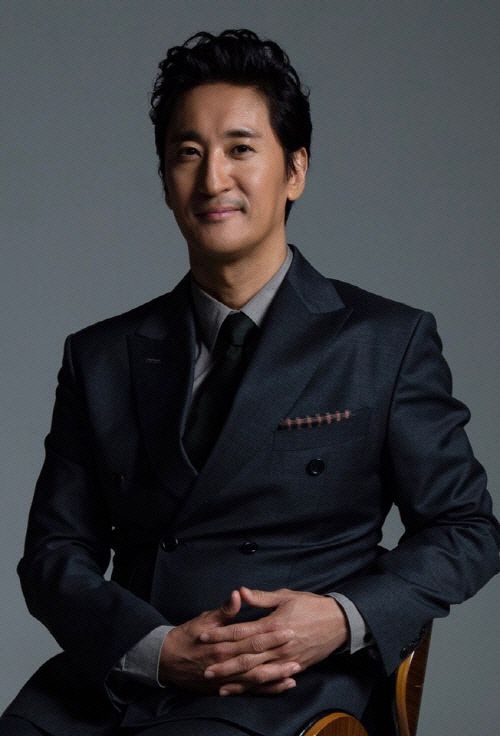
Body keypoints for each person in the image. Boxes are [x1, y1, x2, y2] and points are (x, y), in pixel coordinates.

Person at [2, 29, 498, 736]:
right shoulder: (101, 355)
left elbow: (466, 529)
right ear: (165, 180)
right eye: (188, 153)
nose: (213, 180)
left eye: (240, 149)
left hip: (284, 687)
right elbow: (54, 554)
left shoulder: (383, 342)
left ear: (295, 170)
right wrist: (154, 648)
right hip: (122, 682)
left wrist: (341, 618)